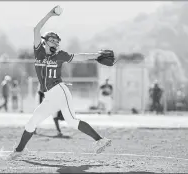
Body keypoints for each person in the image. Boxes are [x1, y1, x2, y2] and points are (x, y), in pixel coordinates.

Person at [8, 6, 112, 160]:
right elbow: (36, 29)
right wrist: (50, 14)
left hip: (60, 91)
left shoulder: (59, 55)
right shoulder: (39, 52)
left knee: (71, 121)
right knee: (32, 122)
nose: (55, 43)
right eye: (53, 40)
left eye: (57, 42)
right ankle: (19, 150)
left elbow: (79, 56)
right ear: (45, 41)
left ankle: (101, 140)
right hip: (49, 96)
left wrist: (96, 55)